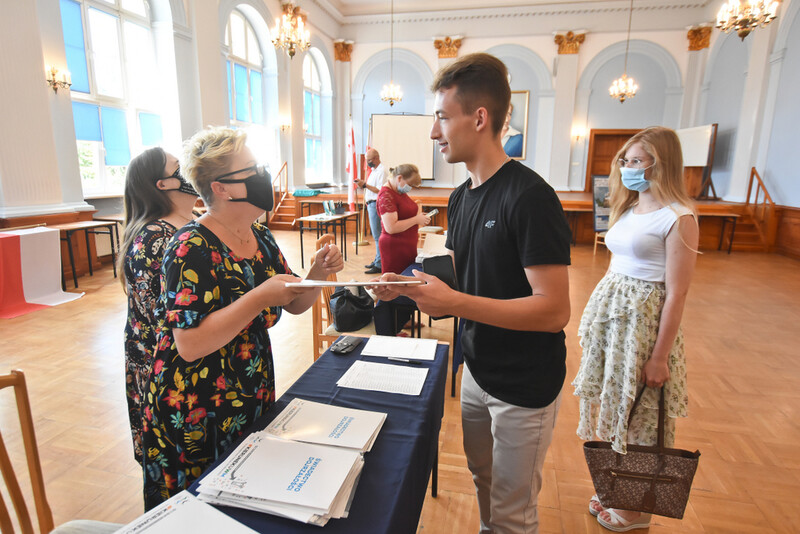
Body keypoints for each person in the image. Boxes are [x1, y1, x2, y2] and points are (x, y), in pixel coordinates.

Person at [372, 53, 572, 534]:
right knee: (484, 483)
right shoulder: (462, 196)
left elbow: (553, 311)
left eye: (441, 117)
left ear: (479, 118)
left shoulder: (529, 197)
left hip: (524, 384)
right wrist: (407, 286)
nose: (434, 132)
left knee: (511, 513)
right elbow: (461, 276)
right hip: (476, 368)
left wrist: (456, 304)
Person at [141, 127, 342, 510]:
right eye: (251, 168)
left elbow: (294, 304)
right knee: (201, 512)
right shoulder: (189, 246)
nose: (262, 176)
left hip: (248, 388)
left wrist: (316, 272)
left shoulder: (261, 236)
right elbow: (189, 343)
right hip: (195, 406)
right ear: (222, 187)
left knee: (247, 496)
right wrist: (258, 297)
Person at [572, 126, 698, 532]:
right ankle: (618, 487)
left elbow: (676, 294)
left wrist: (659, 356)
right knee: (616, 407)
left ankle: (636, 508)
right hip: (615, 324)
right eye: (624, 161)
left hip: (643, 329)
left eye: (635, 161)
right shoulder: (629, 208)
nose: (626, 167)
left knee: (641, 414)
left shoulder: (679, 217)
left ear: (660, 163)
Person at [118, 147, 199, 466]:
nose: (190, 171)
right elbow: (171, 320)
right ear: (163, 184)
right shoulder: (152, 240)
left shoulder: (191, 222)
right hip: (167, 374)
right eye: (180, 167)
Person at [377, 163, 430, 275]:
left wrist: (420, 218)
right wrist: (416, 220)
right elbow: (391, 227)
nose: (410, 188)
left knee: (407, 281)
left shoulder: (398, 191)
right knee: (396, 284)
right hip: (394, 248)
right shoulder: (386, 196)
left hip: (406, 246)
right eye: (409, 184)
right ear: (399, 178)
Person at [355, 148, 386, 273]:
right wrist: (363, 185)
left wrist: (365, 185)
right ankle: (377, 260)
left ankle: (379, 264)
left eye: (369, 160)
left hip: (375, 204)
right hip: (370, 205)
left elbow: (379, 190)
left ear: (376, 158)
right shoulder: (373, 171)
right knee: (376, 235)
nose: (367, 162)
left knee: (378, 236)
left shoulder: (382, 171)